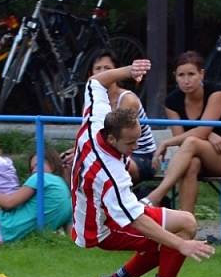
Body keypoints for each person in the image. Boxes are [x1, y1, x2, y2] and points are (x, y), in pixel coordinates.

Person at [72, 59, 215, 277]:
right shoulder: (111, 174)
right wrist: (182, 245)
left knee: (180, 226)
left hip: (103, 209)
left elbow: (95, 82)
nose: (135, 147)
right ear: (112, 138)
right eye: (130, 143)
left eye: (138, 140)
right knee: (180, 231)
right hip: (101, 228)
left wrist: (129, 71)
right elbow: (138, 221)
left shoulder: (96, 123)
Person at [142, 51, 221, 214]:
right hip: (195, 156)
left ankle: (157, 194)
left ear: (201, 74)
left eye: (191, 74)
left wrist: (166, 143)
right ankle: (186, 225)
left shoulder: (217, 92)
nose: (186, 80)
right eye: (181, 75)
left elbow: (198, 132)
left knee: (192, 142)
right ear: (175, 77)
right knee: (191, 164)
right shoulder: (172, 101)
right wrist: (208, 134)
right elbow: (182, 138)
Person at [61, 50, 157, 185]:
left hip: (138, 155)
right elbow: (88, 133)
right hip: (107, 149)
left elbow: (118, 137)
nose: (102, 73)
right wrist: (76, 152)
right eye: (98, 69)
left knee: (99, 164)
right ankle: (77, 205)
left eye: (107, 69)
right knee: (68, 162)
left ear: (116, 73)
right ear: (91, 73)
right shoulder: (91, 100)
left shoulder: (128, 99)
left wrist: (85, 154)